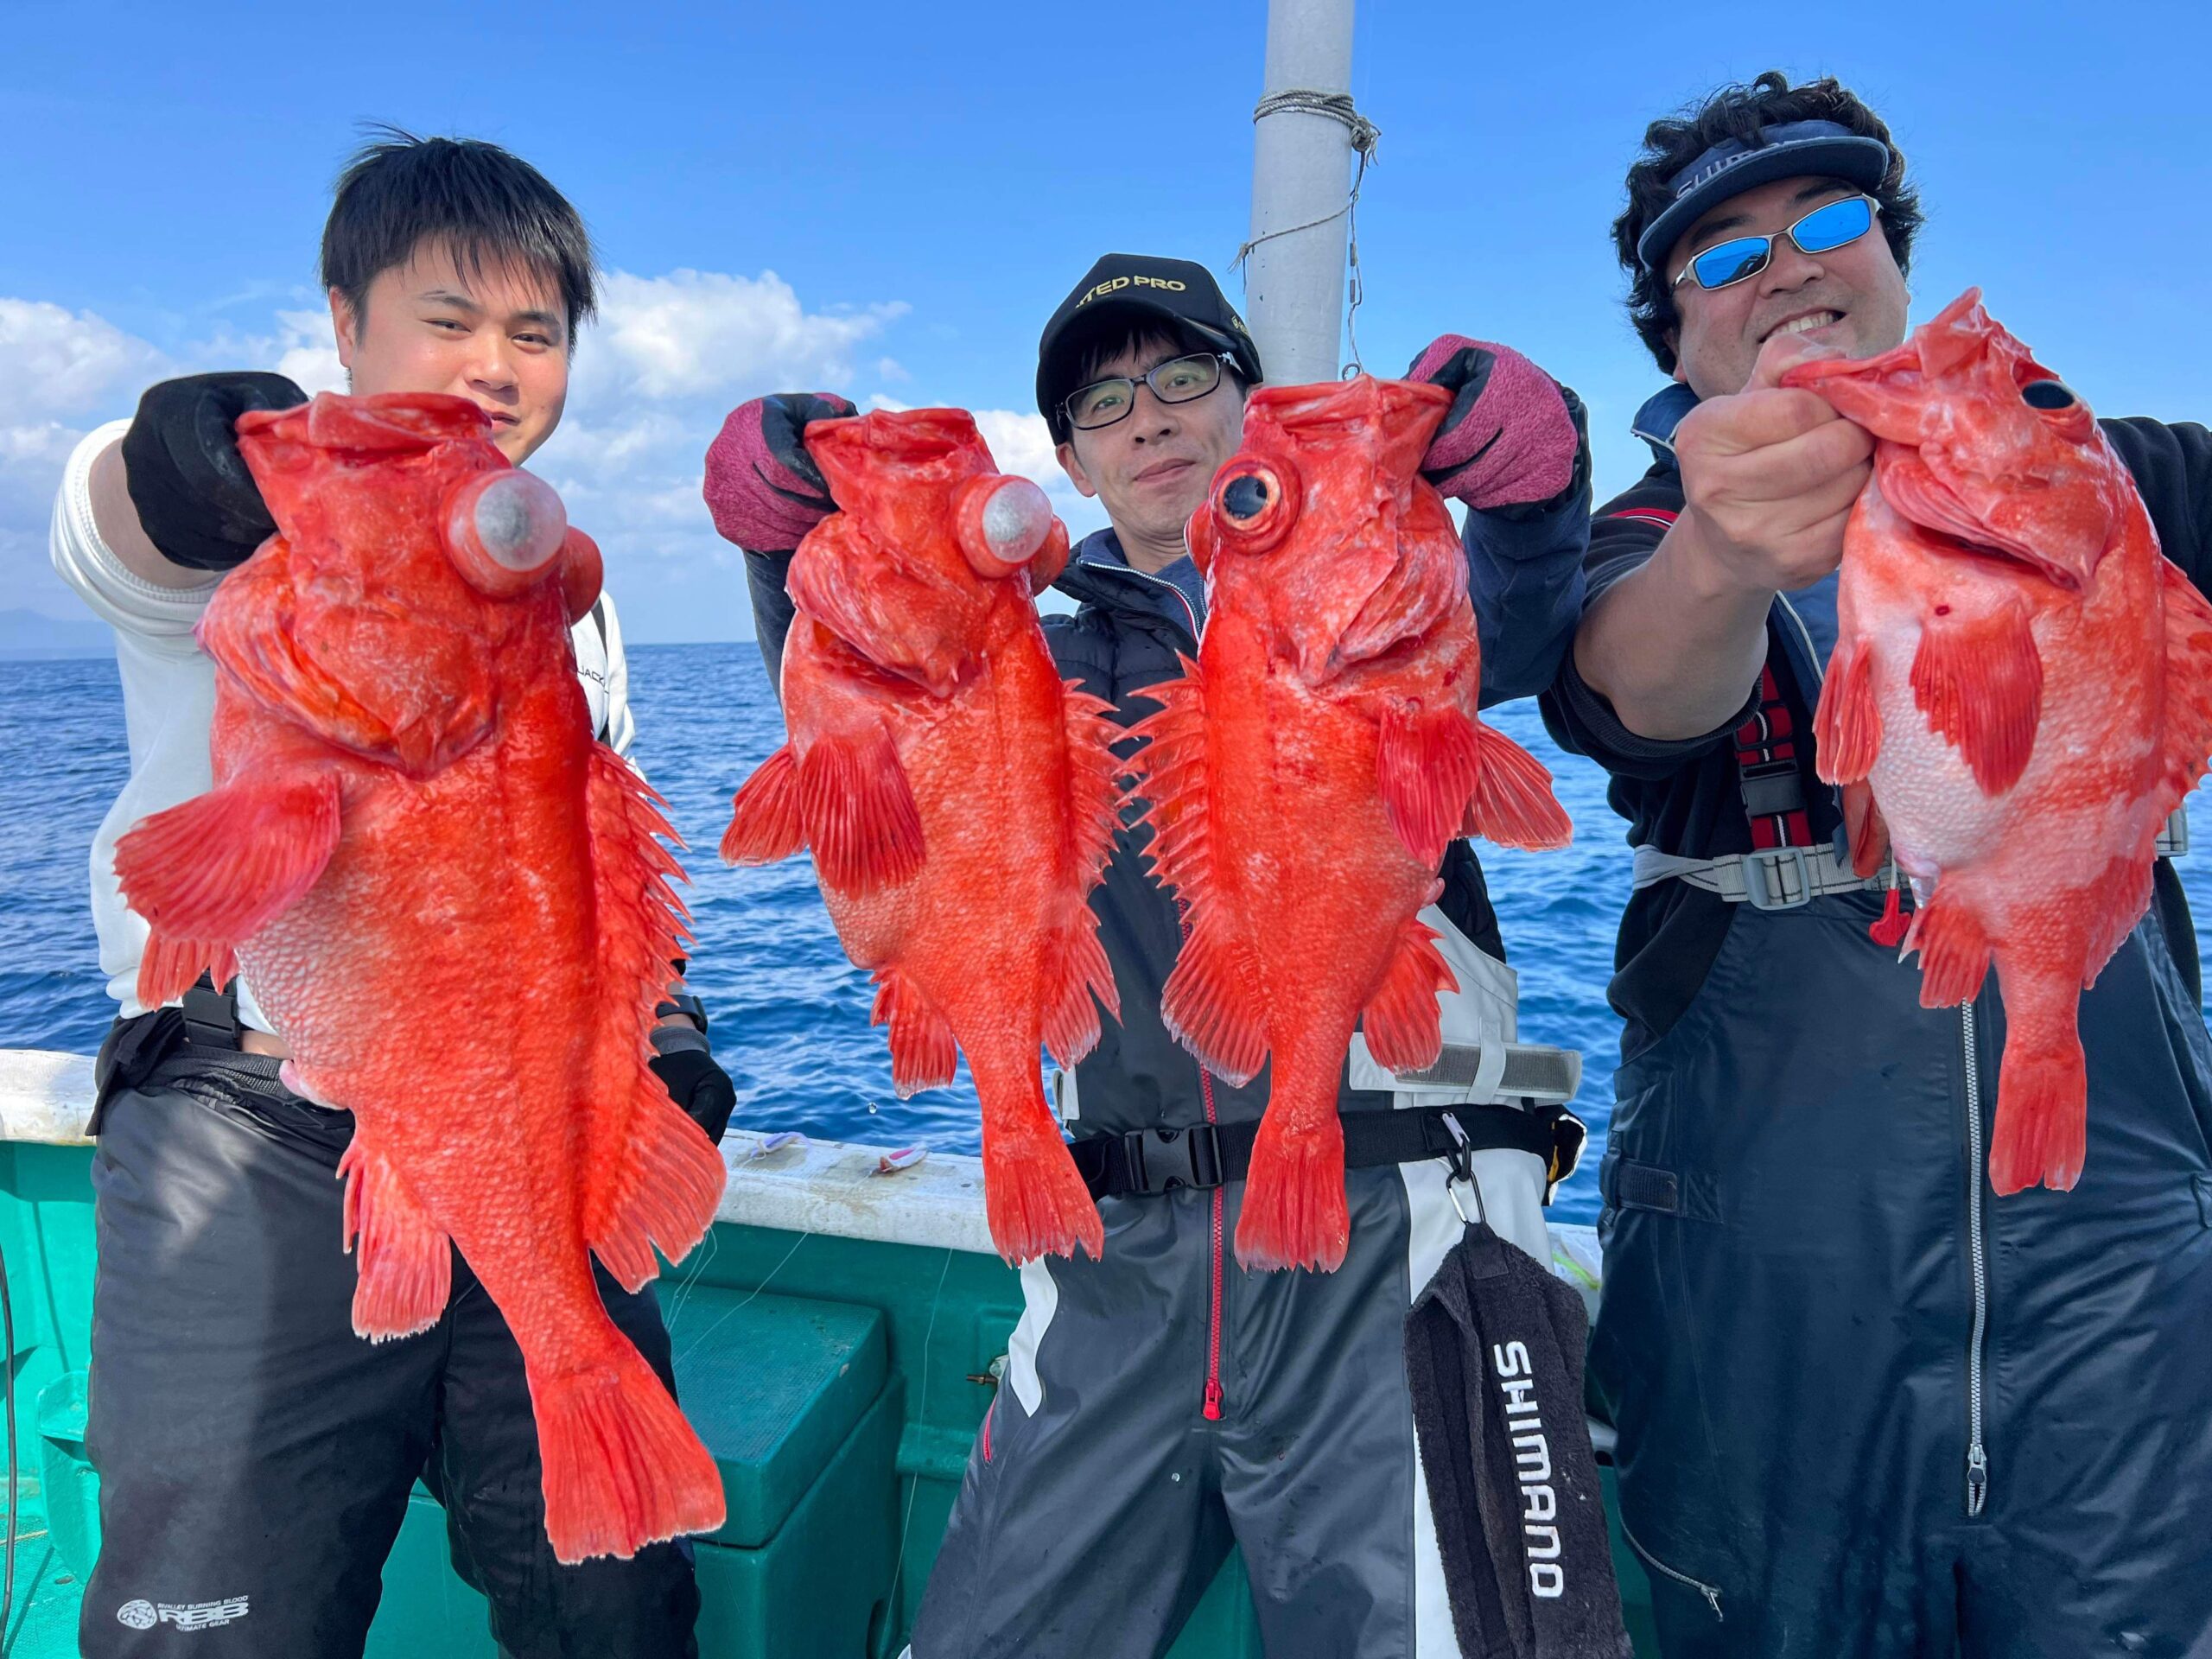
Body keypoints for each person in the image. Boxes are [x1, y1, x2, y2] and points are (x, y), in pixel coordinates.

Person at [706, 252, 1592, 1657]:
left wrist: (1537, 493)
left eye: (1186, 379)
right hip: (1111, 1261)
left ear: (1248, 404)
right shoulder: (1031, 655)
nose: (1152, 417)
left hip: (1398, 1248)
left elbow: (1536, 613)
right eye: (1106, 404)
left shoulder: (1406, 604)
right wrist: (783, 544)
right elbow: (874, 716)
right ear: (1066, 461)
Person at [1546, 71, 2212, 1656]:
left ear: (1894, 259)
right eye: (1721, 255)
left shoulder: (2113, 480)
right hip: (1765, 1288)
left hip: (2119, 1296)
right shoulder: (1649, 536)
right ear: (1677, 338)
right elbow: (1634, 687)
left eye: (1827, 219)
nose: (1783, 266)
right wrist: (1722, 555)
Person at [51, 130, 736, 1657]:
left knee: (614, 1611)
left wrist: (661, 1025)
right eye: (448, 316)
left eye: (535, 332)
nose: (494, 362)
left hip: (512, 1133)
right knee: (220, 1625)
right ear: (342, 319)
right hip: (249, 1146)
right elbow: (120, 526)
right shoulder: (279, 517)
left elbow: (579, 866)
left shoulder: (557, 587)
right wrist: (176, 462)